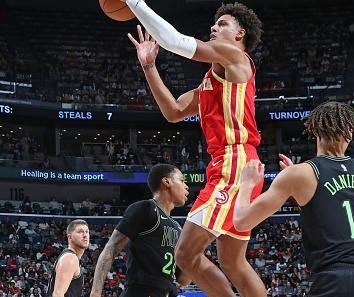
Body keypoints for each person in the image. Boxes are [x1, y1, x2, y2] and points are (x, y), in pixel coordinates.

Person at [125, 1, 266, 296]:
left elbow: (174, 41)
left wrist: (133, 2)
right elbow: (174, 111)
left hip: (235, 162)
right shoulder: (210, 82)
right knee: (233, 262)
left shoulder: (235, 56)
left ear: (240, 34)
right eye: (214, 24)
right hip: (235, 165)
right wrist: (149, 67)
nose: (214, 27)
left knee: (186, 255)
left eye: (223, 24)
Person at [234, 102, 354, 297]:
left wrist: (247, 185)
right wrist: (296, 182)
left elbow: (241, 221)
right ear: (350, 133)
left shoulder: (302, 174)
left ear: (316, 130)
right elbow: (334, 206)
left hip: (335, 281)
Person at [90, 164, 190, 297]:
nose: (186, 187)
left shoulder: (177, 226)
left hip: (168, 291)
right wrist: (95, 292)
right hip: (143, 291)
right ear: (166, 181)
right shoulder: (146, 208)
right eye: (182, 180)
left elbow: (183, 280)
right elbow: (111, 248)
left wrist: (195, 248)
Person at [47, 219, 90, 297]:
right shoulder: (70, 259)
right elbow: (58, 294)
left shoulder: (70, 257)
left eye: (87, 232)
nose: (85, 235)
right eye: (80, 232)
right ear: (69, 237)